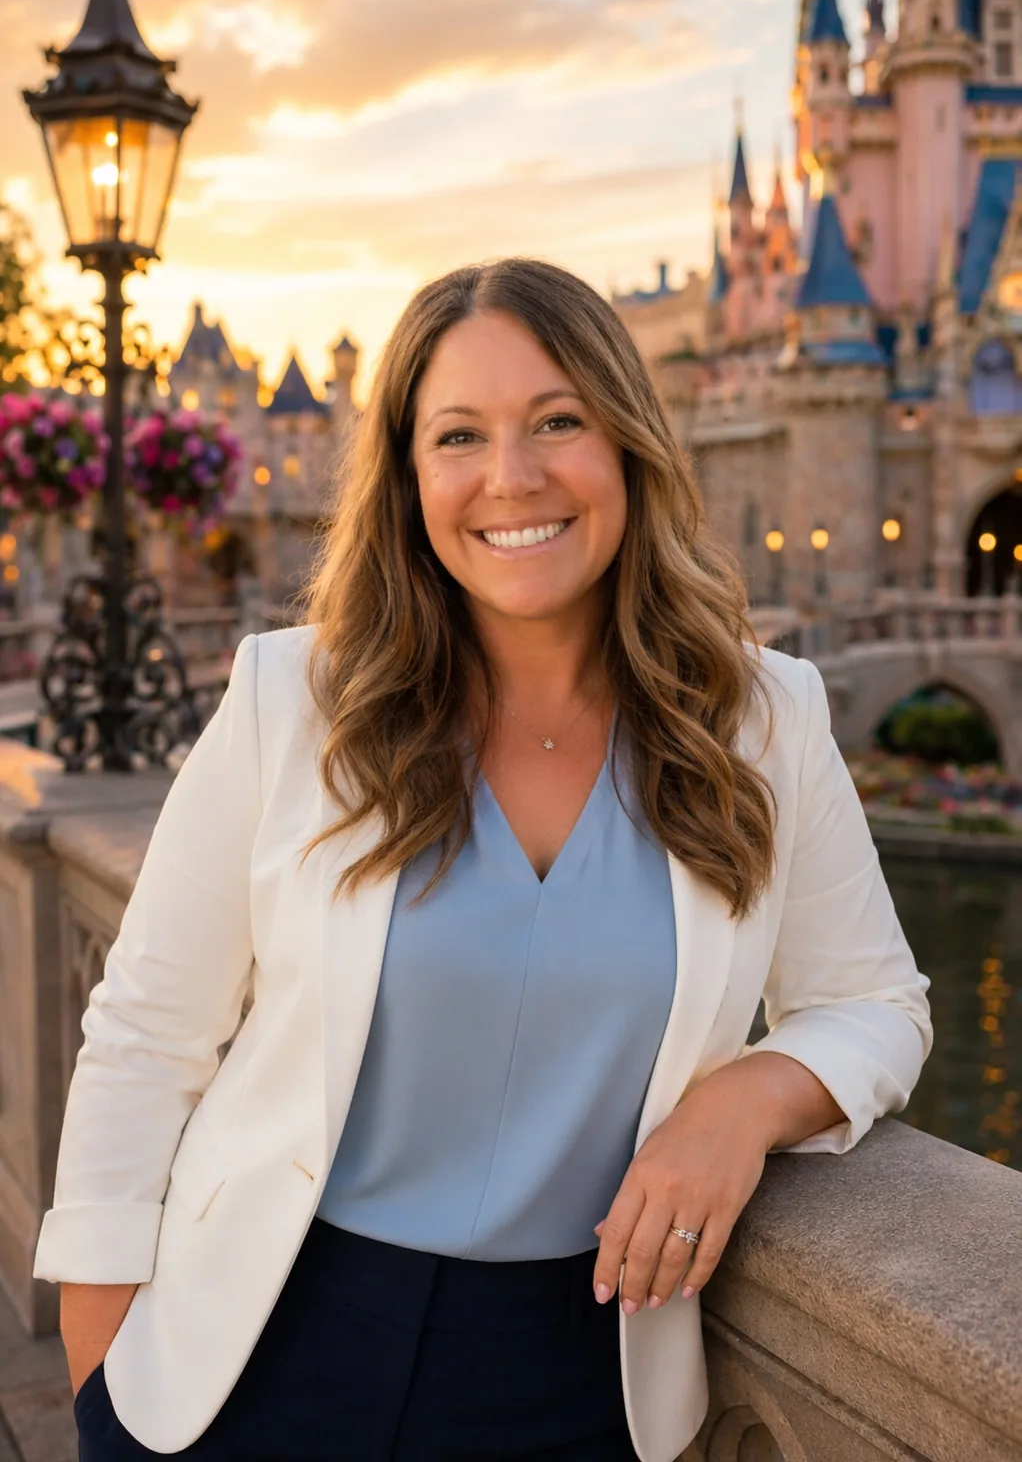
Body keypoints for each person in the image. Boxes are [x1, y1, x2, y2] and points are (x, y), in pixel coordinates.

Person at [37, 258, 932, 1462]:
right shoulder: (289, 701)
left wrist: (742, 1102)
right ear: (408, 481)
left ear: (626, 444)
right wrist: (104, 1378)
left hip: (583, 1370)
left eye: (556, 421)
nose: (511, 478)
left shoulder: (761, 720)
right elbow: (145, 1035)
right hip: (257, 1346)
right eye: (457, 435)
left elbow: (875, 1002)